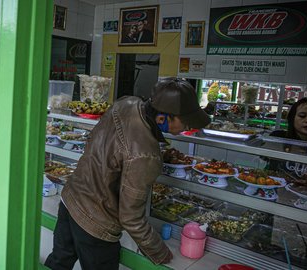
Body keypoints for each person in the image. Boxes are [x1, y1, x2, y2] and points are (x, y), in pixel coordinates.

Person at [45, 78, 211, 269]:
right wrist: (158, 251)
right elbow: (131, 217)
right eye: (186, 122)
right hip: (96, 222)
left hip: (70, 198)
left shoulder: (126, 103)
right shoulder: (146, 155)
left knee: (59, 260)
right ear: (162, 118)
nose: (188, 128)